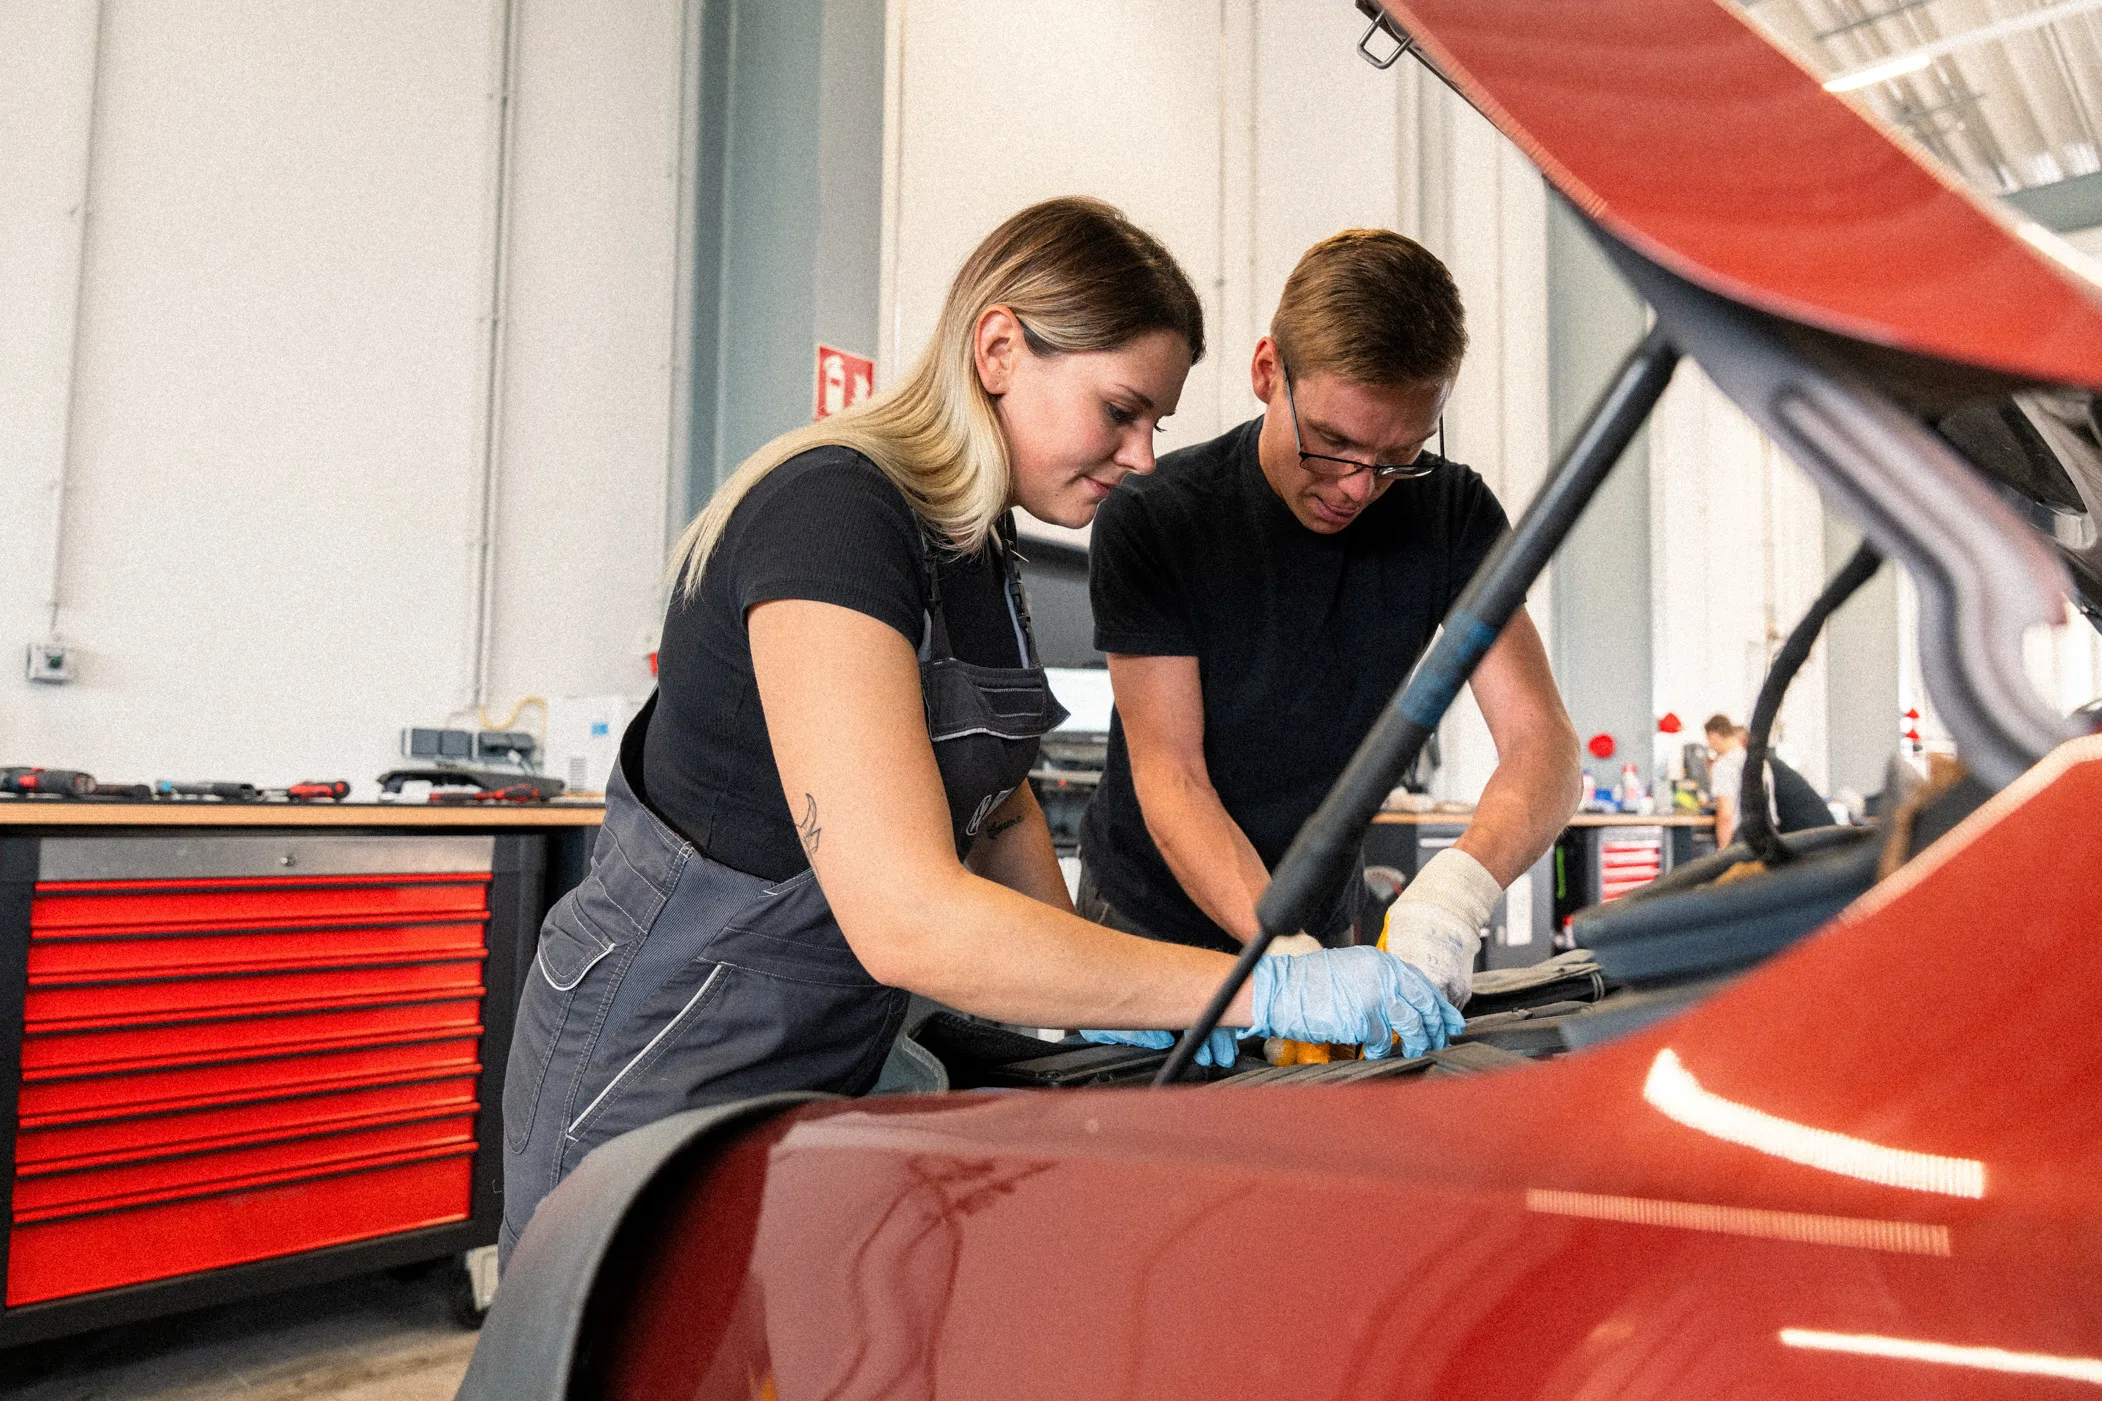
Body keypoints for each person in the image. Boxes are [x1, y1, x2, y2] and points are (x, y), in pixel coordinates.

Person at [499, 199, 1468, 1261]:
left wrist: (1085, 991)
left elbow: (995, 798)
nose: (1142, 457)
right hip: (662, 1063)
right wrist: (1259, 986)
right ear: (998, 346)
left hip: (830, 1055)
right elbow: (906, 918)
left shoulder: (976, 548)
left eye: (1157, 424)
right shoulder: (832, 516)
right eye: (1119, 410)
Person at [1076, 230, 1582, 1013]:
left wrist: (1455, 893)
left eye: (1396, 455)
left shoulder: (1447, 513)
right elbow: (1171, 776)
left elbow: (1542, 744)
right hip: (1149, 931)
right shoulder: (1158, 516)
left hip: (1323, 930)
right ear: (1267, 372)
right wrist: (1282, 958)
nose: (1356, 487)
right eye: (1334, 442)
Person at [1703, 713, 1829, 845]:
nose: (1709, 746)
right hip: (1767, 836)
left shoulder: (1724, 764)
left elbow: (1726, 814)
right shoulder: (1761, 762)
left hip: (1741, 840)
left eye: (1709, 740)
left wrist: (1723, 853)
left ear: (1714, 736)